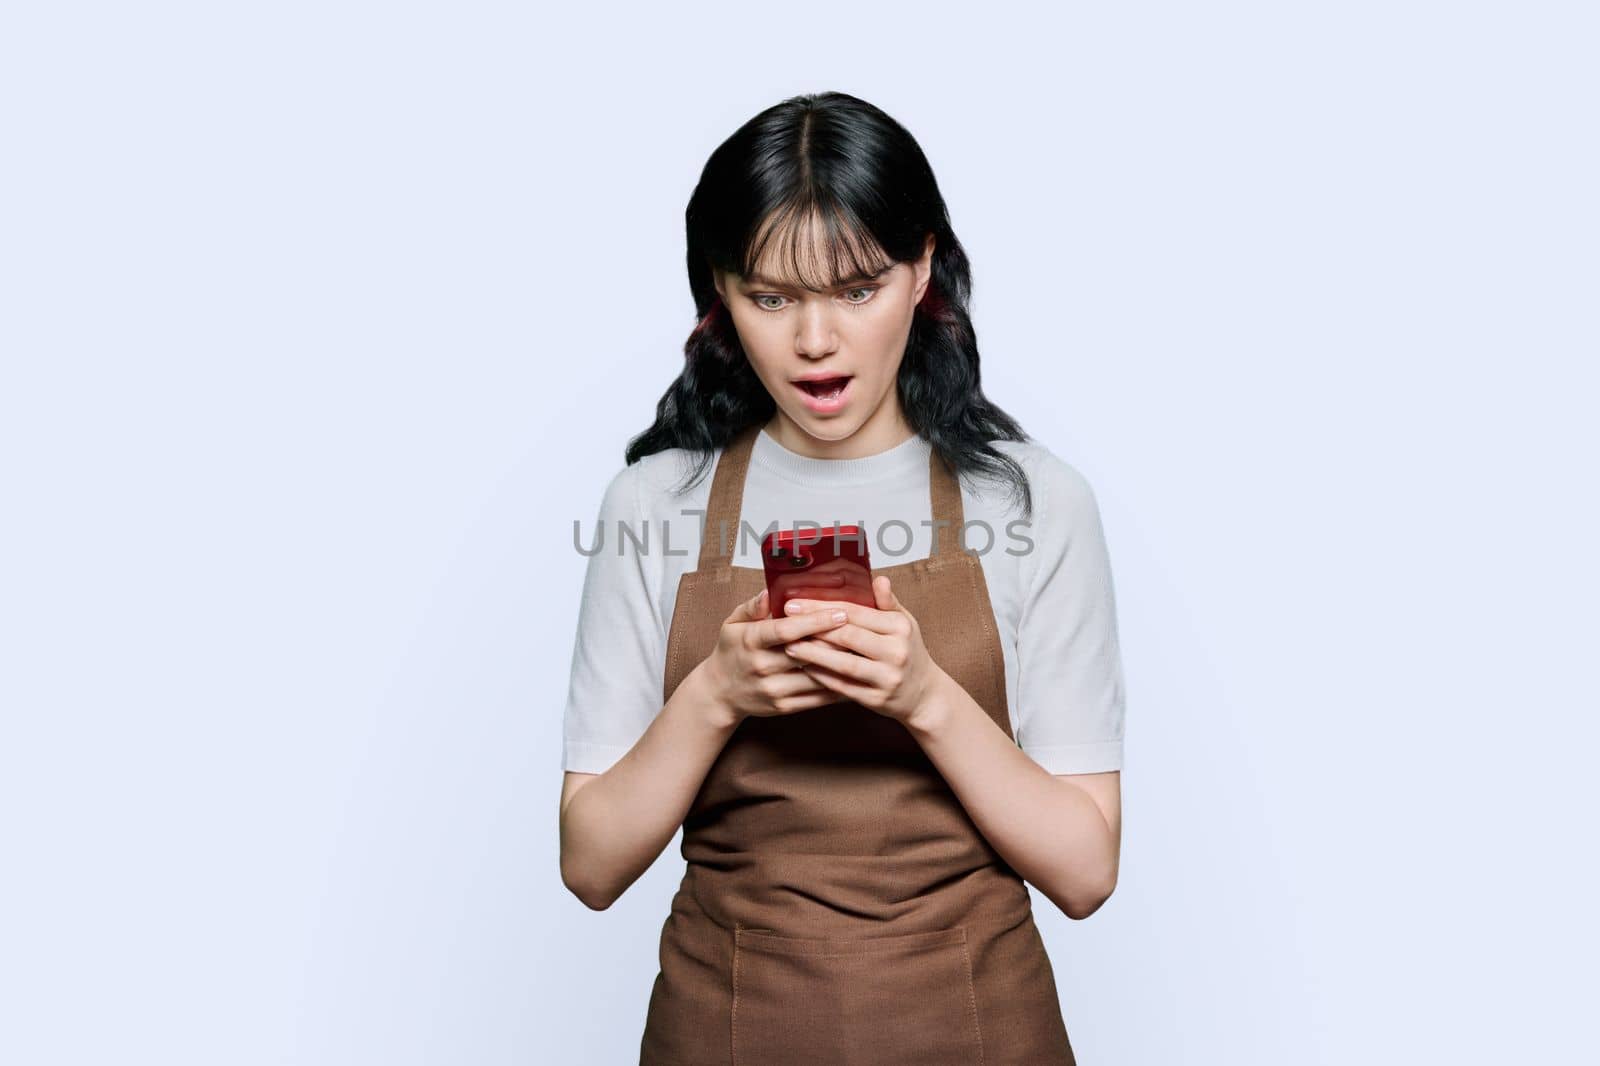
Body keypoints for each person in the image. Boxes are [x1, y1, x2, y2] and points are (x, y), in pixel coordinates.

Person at [558, 91, 1126, 1065]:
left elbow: (1084, 871)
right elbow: (591, 864)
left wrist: (923, 696)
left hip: (979, 1029)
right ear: (719, 295)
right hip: (725, 1031)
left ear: (921, 272)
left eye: (856, 290)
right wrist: (716, 693)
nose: (814, 340)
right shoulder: (652, 505)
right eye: (771, 297)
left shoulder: (1035, 503)